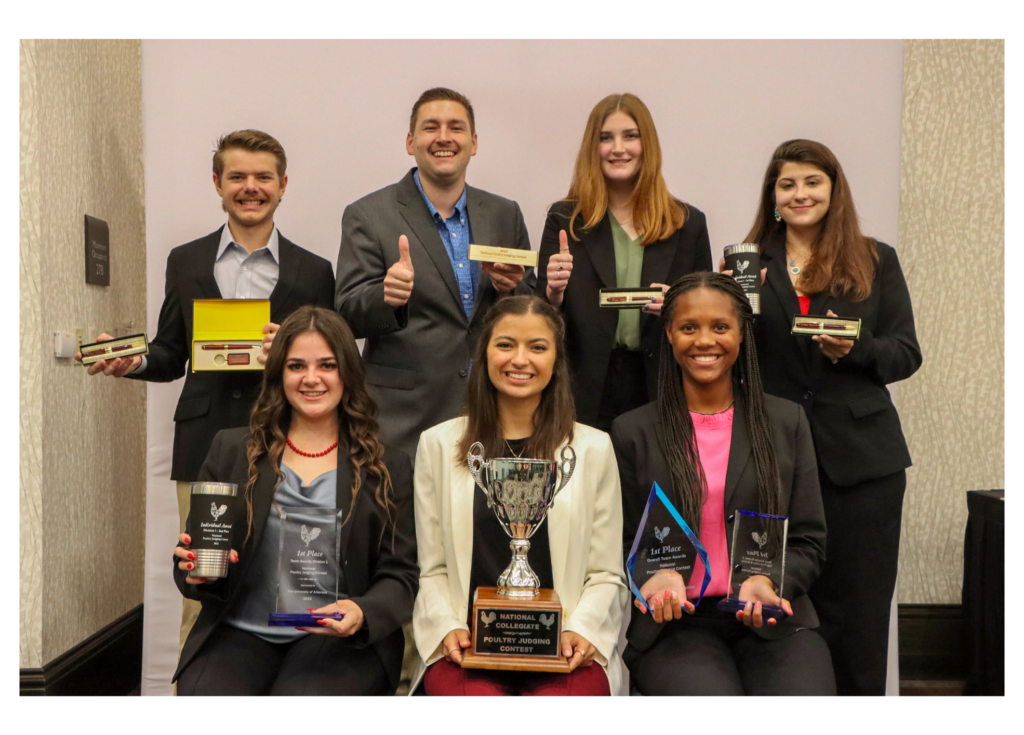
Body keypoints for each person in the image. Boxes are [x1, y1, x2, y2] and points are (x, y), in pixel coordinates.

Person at [76, 129, 335, 650]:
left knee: (291, 575)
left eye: (263, 177)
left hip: (291, 443)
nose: (250, 187)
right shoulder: (187, 260)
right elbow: (170, 353)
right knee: (204, 578)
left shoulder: (314, 271)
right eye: (237, 176)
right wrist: (134, 361)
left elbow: (327, 365)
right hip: (204, 446)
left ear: (283, 185)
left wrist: (285, 351)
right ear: (217, 184)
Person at [734, 139, 922, 696]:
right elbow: (724, 352)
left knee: (860, 620)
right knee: (774, 607)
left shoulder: (874, 258)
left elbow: (905, 353)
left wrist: (854, 348)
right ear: (773, 195)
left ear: (834, 191)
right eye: (787, 184)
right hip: (774, 462)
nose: (800, 194)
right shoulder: (746, 262)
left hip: (863, 468)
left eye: (813, 182)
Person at [171, 306, 417, 696]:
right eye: (296, 366)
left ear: (347, 374)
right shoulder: (231, 450)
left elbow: (400, 575)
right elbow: (198, 559)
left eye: (327, 365)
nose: (311, 379)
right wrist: (194, 569)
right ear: (279, 374)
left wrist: (362, 611)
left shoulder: (387, 466)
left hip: (336, 638)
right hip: (242, 630)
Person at [611, 272, 834, 696]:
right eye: (689, 327)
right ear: (670, 335)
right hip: (677, 624)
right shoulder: (632, 431)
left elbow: (809, 541)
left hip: (772, 617)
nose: (705, 341)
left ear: (741, 334)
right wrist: (651, 578)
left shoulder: (786, 422)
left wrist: (769, 585)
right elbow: (620, 542)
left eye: (720, 327)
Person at [410, 295, 627, 696]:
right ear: (484, 353)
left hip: (564, 646)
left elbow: (606, 572)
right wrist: (447, 626)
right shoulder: (438, 446)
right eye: (506, 344)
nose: (520, 359)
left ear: (557, 360)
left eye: (538, 347)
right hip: (469, 645)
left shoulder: (594, 449)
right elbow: (433, 568)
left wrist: (583, 630)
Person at [332, 87, 536, 462]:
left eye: (456, 128)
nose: (444, 137)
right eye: (431, 128)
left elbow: (531, 310)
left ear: (473, 143)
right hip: (403, 422)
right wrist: (386, 297)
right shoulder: (368, 214)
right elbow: (345, 312)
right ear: (411, 142)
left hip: (494, 413)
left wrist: (514, 289)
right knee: (406, 522)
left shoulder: (505, 213)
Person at [537, 93, 712, 432]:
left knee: (654, 486)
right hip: (583, 389)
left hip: (663, 385)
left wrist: (679, 307)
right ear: (593, 148)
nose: (618, 148)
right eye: (606, 138)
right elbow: (543, 317)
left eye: (630, 136)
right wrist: (553, 293)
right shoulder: (564, 219)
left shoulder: (688, 223)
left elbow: (704, 314)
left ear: (648, 144)